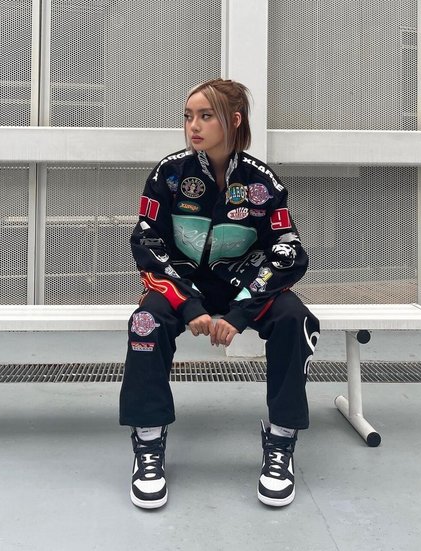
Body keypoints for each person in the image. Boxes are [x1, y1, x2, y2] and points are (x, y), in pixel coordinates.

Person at [119, 78, 320, 509]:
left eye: (205, 116)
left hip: (243, 288)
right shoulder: (169, 174)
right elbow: (147, 241)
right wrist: (187, 304)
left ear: (234, 120)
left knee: (295, 318)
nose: (193, 126)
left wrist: (241, 312)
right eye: (188, 116)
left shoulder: (262, 182)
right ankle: (148, 440)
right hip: (183, 285)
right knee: (146, 320)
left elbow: (288, 251)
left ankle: (281, 439)